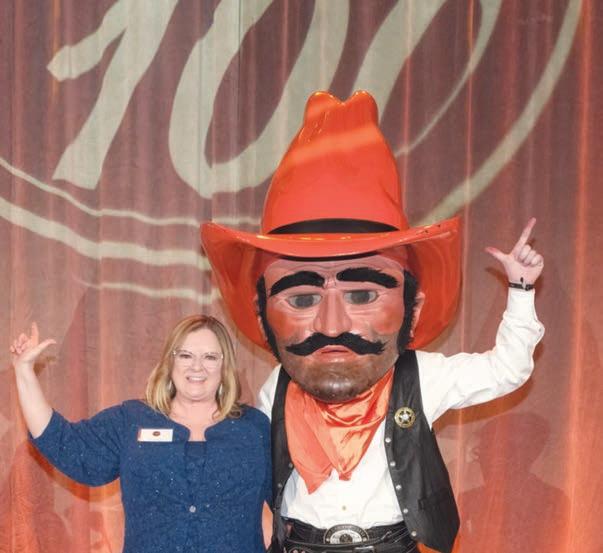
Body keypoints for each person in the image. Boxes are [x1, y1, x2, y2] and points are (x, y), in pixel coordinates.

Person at [200, 91, 544, 553]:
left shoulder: (423, 377)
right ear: (264, 318)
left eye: (362, 295)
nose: (332, 325)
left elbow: (507, 370)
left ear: (412, 309)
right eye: (302, 298)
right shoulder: (276, 387)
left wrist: (520, 290)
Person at [10, 315, 271, 553]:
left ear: (225, 366)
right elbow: (67, 446)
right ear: (170, 361)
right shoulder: (131, 420)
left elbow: (286, 498)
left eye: (210, 357)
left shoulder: (255, 428)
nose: (197, 367)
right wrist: (24, 372)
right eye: (185, 355)